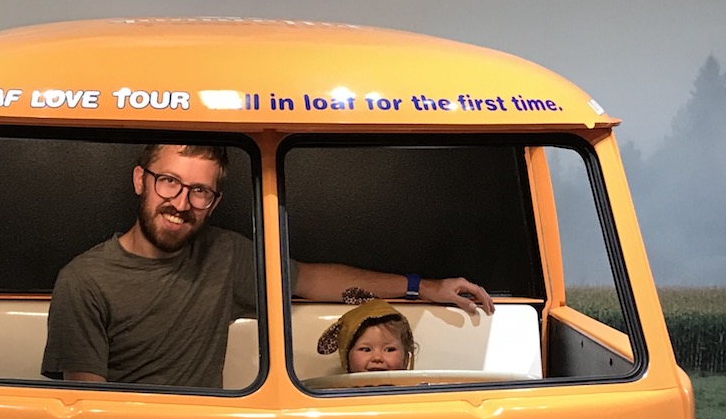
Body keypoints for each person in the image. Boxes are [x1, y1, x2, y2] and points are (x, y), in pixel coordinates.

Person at [41, 143, 490, 386]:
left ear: (214, 203)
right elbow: (88, 411)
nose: (180, 203)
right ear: (141, 180)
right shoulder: (84, 281)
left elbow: (314, 280)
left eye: (199, 191)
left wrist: (425, 287)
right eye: (169, 183)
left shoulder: (225, 255)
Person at [319, 298, 416, 374]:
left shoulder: (414, 396)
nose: (377, 358)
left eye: (389, 349)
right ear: (346, 358)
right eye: (366, 349)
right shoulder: (335, 397)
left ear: (406, 359)